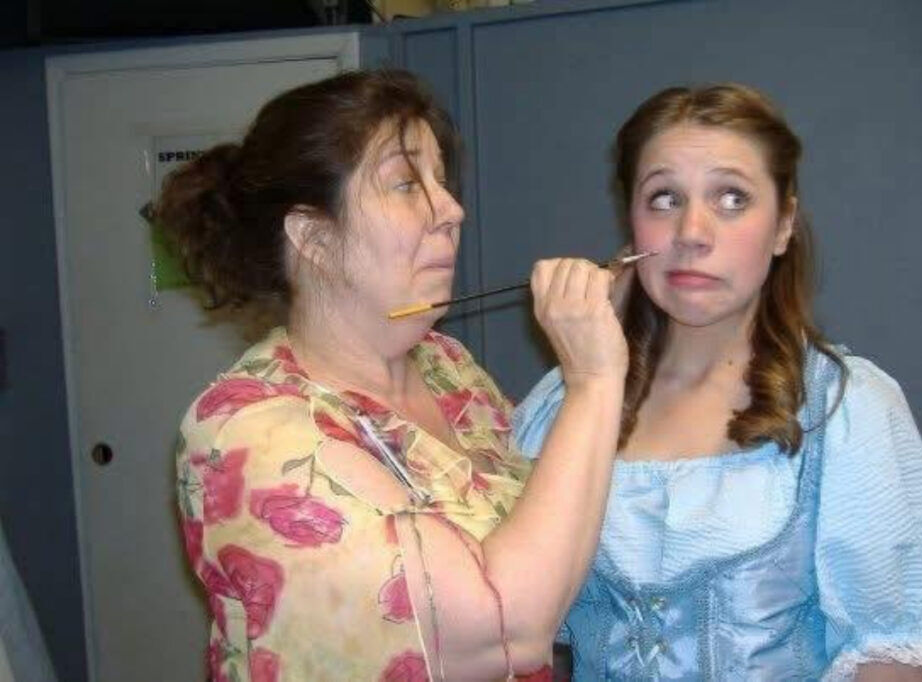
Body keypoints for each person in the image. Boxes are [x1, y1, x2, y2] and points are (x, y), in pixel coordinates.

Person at [159, 69, 627, 681]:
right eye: (407, 183)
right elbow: (504, 636)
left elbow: (554, 539)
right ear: (314, 239)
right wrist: (592, 380)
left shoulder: (447, 367)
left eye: (441, 180)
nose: (452, 210)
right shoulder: (244, 431)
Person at [513, 84, 922, 680]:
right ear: (631, 226)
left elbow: (891, 656)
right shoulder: (563, 402)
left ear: (783, 225)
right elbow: (518, 629)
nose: (691, 231)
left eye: (732, 198)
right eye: (662, 198)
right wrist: (590, 379)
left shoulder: (846, 408)